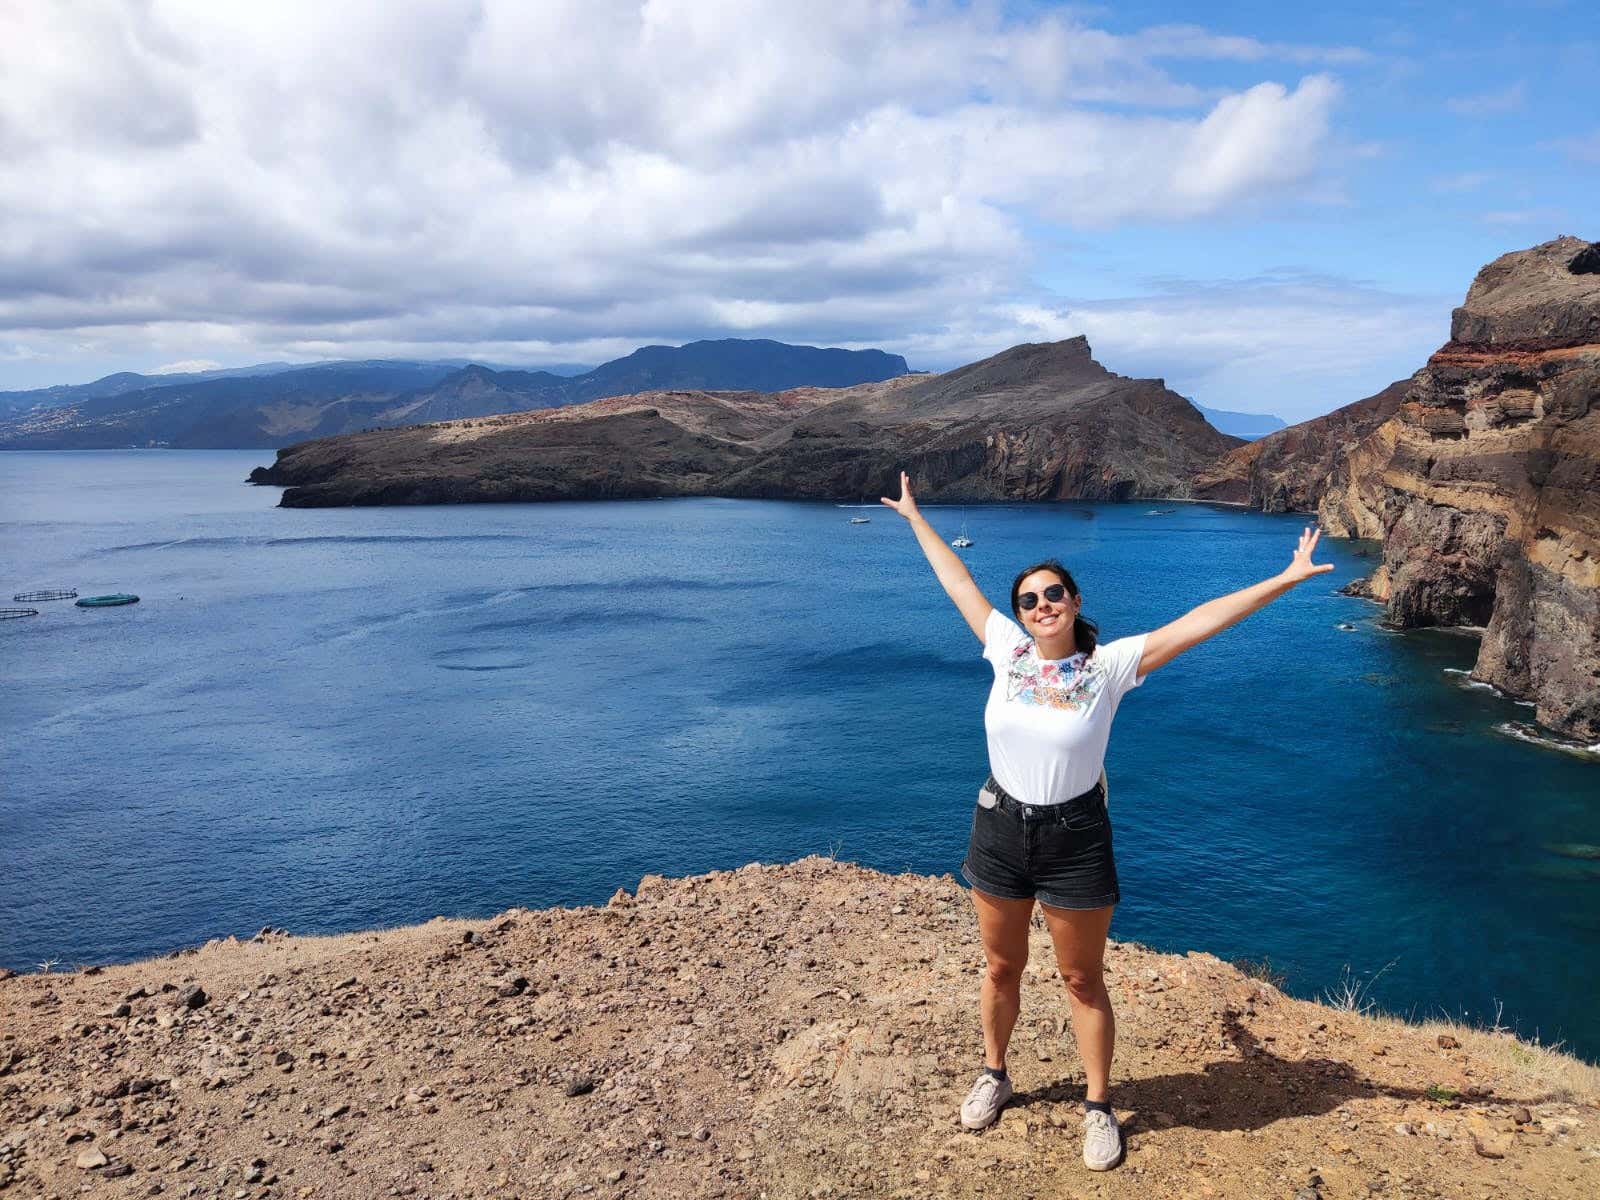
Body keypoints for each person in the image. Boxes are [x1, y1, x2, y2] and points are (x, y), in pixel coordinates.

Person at [880, 471, 1332, 1171]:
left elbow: (1200, 621)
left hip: (1075, 838)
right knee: (1001, 966)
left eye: (1053, 593)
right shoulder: (1005, 650)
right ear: (1022, 614)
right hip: (999, 828)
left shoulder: (1110, 665)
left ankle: (1098, 1107)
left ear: (1074, 601)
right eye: (1029, 600)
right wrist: (914, 517)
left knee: (1082, 979)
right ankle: (995, 1074)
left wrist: (1285, 579)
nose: (1041, 605)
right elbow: (959, 582)